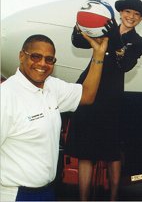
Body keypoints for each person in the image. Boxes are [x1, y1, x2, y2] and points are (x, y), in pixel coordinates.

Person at [0, 33, 108, 201]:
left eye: (49, 59)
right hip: (16, 195)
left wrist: (98, 54)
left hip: (48, 192)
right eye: (36, 56)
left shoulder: (52, 87)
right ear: (22, 56)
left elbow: (87, 95)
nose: (42, 63)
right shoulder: (6, 96)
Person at [66, 0, 142, 201]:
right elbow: (78, 42)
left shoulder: (140, 43)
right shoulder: (103, 28)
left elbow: (125, 64)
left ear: (140, 19)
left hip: (111, 99)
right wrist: (80, 25)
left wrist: (114, 37)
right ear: (120, 13)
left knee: (112, 152)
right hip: (88, 90)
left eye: (137, 14)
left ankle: (113, 198)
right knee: (86, 152)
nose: (132, 17)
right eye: (128, 12)